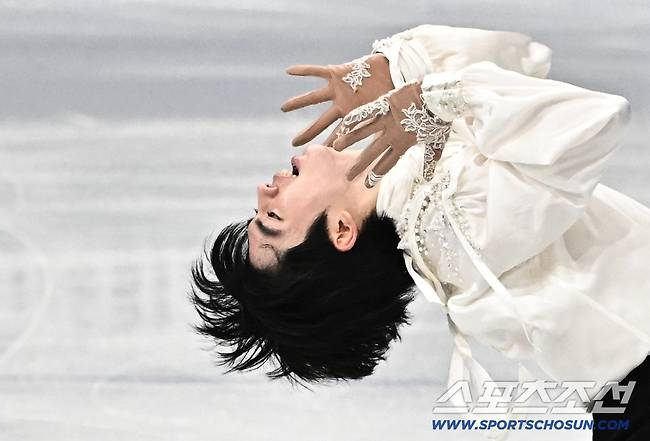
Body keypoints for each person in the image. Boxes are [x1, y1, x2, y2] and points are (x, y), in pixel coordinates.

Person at [190, 24, 650, 439]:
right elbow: (593, 120)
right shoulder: (454, 221)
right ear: (342, 230)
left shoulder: (418, 197)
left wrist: (400, 71)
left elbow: (523, 63)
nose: (264, 190)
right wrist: (432, 95)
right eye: (272, 217)